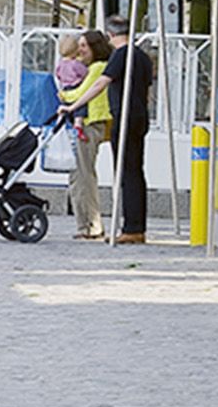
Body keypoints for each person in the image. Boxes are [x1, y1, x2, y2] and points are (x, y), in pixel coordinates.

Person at [63, 15, 153, 243]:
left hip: (124, 116)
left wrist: (73, 106)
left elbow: (101, 83)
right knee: (136, 170)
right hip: (139, 116)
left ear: (110, 35)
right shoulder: (142, 56)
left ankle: (132, 228)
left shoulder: (121, 55)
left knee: (125, 172)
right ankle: (137, 226)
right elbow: (147, 90)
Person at [58, 29, 112, 240]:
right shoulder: (90, 68)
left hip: (89, 123)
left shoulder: (98, 68)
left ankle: (90, 225)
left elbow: (82, 93)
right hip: (88, 122)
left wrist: (63, 96)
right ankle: (87, 223)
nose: (80, 51)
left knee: (82, 174)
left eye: (83, 46)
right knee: (79, 173)